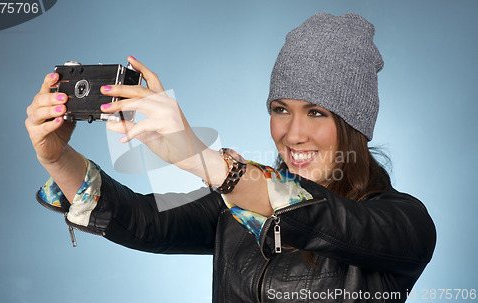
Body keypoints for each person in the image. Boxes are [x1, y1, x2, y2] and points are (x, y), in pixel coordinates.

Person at [26, 13, 436, 302]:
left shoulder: (403, 224)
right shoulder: (236, 207)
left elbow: (320, 217)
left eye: (317, 112)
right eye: (280, 109)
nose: (292, 133)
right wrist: (57, 157)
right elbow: (146, 222)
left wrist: (202, 159)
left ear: (355, 125)